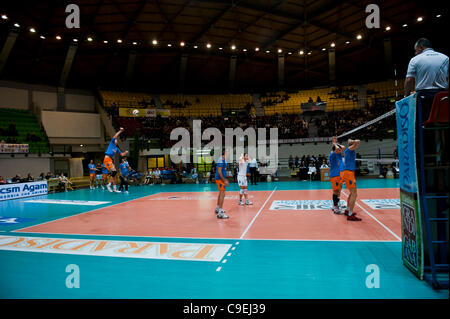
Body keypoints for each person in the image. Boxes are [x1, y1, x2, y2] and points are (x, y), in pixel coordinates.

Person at [341, 139, 362, 221]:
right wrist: (353, 142)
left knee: (351, 193)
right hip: (349, 174)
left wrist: (352, 142)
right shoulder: (349, 149)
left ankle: (347, 210)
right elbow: (358, 142)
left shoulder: (348, 150)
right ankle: (350, 215)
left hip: (349, 173)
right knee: (354, 193)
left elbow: (356, 143)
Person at [103, 127, 129, 193]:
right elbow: (115, 136)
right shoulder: (111, 143)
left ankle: (114, 189)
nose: (116, 140)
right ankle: (108, 185)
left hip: (110, 160)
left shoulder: (117, 148)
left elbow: (121, 155)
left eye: (116, 140)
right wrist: (120, 131)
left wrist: (125, 153)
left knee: (114, 174)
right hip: (107, 159)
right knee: (114, 172)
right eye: (115, 140)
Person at [329, 137, 345, 215]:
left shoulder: (337, 153)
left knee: (339, 190)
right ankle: (335, 206)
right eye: (337, 148)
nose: (340, 149)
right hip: (335, 175)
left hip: (339, 174)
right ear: (335, 149)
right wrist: (335, 143)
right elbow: (341, 148)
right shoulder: (332, 154)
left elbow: (343, 147)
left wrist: (335, 143)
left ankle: (336, 204)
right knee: (336, 191)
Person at [215, 149, 229, 219]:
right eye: (228, 152)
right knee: (222, 193)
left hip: (221, 179)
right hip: (219, 179)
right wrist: (224, 180)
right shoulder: (221, 159)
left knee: (221, 193)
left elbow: (223, 170)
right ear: (224, 152)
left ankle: (218, 208)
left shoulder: (224, 159)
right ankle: (220, 213)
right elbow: (219, 171)